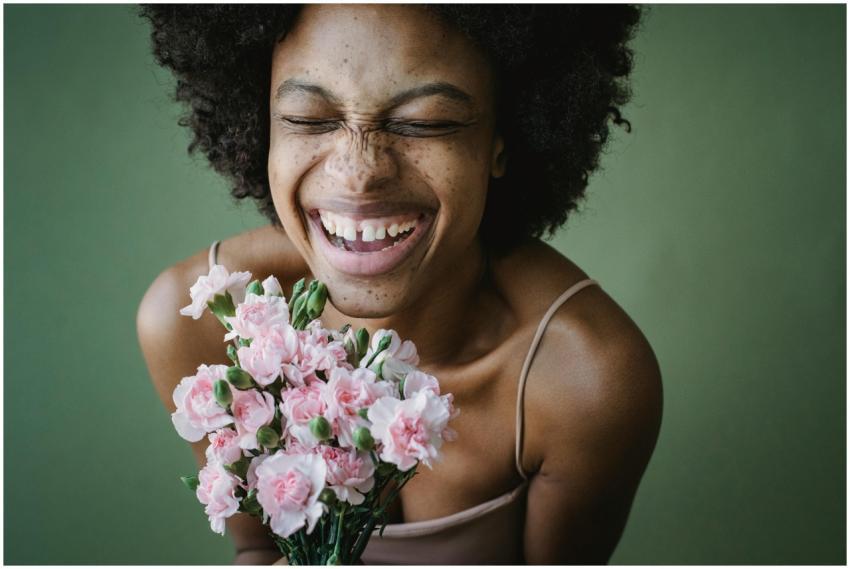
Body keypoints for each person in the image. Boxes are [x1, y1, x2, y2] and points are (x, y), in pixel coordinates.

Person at [136, 4, 662, 564]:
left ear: (501, 143)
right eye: (309, 118)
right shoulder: (200, 323)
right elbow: (258, 551)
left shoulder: (585, 382)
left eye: (425, 122)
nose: (360, 172)